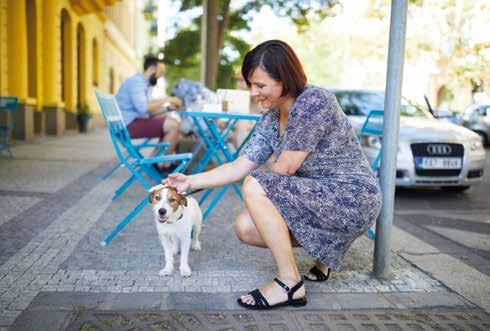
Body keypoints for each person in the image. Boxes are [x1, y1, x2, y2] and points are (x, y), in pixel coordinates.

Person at [163, 40, 382, 310]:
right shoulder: (272, 116)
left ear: (285, 79)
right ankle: (327, 251)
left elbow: (283, 172)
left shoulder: (314, 101)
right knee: (246, 227)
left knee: (257, 185)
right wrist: (190, 181)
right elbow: (238, 165)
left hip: (353, 197)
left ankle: (289, 283)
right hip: (317, 196)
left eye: (260, 85)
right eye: (251, 84)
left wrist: (256, 187)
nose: (253, 93)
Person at [116, 55, 182, 170]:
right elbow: (143, 108)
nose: (160, 76)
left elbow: (147, 109)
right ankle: (161, 164)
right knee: (173, 125)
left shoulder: (142, 84)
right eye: (160, 72)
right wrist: (168, 99)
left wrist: (167, 109)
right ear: (151, 69)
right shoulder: (136, 82)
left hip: (129, 122)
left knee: (169, 121)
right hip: (126, 126)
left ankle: (154, 161)